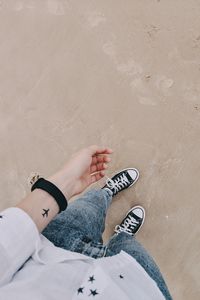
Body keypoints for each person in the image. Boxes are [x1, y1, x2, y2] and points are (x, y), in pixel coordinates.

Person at [0, 145, 172, 299]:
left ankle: (105, 194)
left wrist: (66, 181)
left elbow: (6, 241)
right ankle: (123, 234)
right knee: (128, 246)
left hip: (56, 246)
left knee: (90, 206)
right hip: (137, 287)